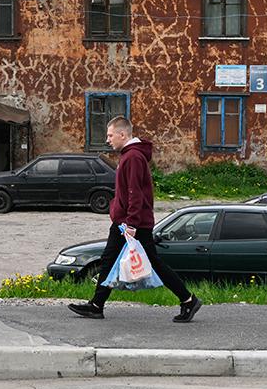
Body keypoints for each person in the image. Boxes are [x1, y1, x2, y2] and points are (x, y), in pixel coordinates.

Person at [68, 116, 202, 323]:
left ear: (123, 134)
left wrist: (131, 223)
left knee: (152, 262)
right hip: (126, 220)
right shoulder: (130, 155)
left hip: (132, 223)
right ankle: (96, 305)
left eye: (110, 135)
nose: (108, 140)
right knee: (109, 259)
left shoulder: (133, 157)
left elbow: (135, 192)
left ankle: (188, 300)